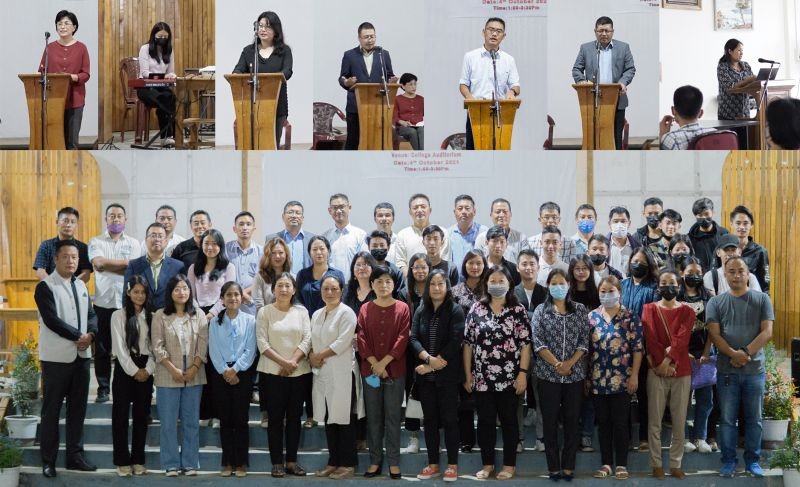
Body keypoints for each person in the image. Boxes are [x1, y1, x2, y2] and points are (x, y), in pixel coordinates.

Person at [35, 240, 98, 478]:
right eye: (66, 257)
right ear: (56, 259)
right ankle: (48, 460)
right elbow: (51, 320)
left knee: (77, 411)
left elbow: (92, 315)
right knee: (51, 411)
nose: (71, 261)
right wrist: (78, 336)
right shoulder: (45, 287)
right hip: (56, 359)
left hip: (81, 357)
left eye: (74, 257)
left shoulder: (81, 286)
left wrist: (90, 335)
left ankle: (74, 457)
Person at [707, 257, 774, 478]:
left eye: (741, 271)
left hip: (754, 371)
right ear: (725, 275)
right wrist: (733, 355)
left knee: (754, 418)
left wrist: (744, 353)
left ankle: (753, 461)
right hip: (727, 371)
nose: (736, 275)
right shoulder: (715, 303)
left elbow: (767, 332)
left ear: (748, 274)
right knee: (727, 419)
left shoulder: (762, 299)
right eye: (732, 272)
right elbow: (714, 335)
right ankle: (728, 461)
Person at [464, 265, 530, 480]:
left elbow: (526, 344)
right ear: (486, 283)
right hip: (482, 379)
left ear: (509, 284)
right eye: (493, 280)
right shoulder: (476, 309)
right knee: (484, 422)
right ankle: (488, 464)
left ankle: (509, 465)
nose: (497, 284)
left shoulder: (517, 310)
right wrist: (468, 374)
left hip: (510, 378)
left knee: (510, 421)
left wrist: (522, 373)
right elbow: (468, 344)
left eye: (502, 280)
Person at [532, 268, 588, 481]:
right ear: (548, 286)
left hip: (574, 376)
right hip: (548, 376)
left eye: (561, 283)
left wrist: (570, 364)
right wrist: (557, 364)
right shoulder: (540, 310)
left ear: (568, 285)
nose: (558, 287)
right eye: (553, 283)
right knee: (550, 421)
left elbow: (584, 340)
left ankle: (568, 465)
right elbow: (538, 342)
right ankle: (553, 466)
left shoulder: (580, 310)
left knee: (573, 421)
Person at [410, 270, 465, 481]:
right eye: (432, 284)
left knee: (450, 420)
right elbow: (413, 338)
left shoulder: (455, 310)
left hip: (448, 377)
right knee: (430, 421)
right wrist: (427, 359)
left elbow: (455, 341)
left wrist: (433, 365)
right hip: (425, 378)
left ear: (447, 286)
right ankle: (433, 464)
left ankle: (452, 465)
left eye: (440, 283)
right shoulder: (421, 309)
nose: (436, 287)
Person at [256, 272, 312, 477]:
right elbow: (262, 343)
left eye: (288, 285)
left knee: (295, 417)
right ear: (273, 289)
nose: (284, 289)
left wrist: (293, 362)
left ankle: (291, 461)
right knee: (275, 418)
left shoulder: (302, 311)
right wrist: (284, 363)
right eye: (280, 285)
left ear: (294, 289)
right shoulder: (265, 312)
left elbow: (308, 338)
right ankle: (277, 462)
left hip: (299, 373)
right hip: (272, 373)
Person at [151, 275, 209, 477]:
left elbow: (203, 344)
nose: (182, 292)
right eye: (177, 289)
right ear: (170, 292)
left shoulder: (199, 314)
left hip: (194, 373)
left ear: (190, 291)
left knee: (191, 421)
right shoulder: (160, 315)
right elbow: (157, 346)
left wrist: (194, 366)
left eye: (185, 288)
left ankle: (190, 462)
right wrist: (172, 369)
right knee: (168, 422)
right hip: (168, 374)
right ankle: (170, 464)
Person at [357, 266, 411, 479]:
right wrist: (374, 363)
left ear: (394, 284)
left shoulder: (403, 308)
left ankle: (394, 462)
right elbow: (361, 338)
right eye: (378, 281)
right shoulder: (364, 308)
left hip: (395, 371)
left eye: (388, 281)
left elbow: (403, 338)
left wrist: (385, 363)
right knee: (374, 417)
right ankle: (374, 461)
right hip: (369, 372)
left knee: (393, 416)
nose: (383, 285)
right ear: (372, 285)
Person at [641, 268, 694, 480]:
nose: (667, 286)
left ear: (679, 285)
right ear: (658, 286)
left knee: (679, 421)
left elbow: (682, 339)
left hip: (680, 372)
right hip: (656, 372)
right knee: (654, 420)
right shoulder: (649, 309)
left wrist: (667, 361)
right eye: (663, 283)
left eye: (671, 282)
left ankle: (675, 463)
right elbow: (651, 337)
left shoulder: (688, 311)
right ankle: (656, 463)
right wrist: (661, 365)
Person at [588, 276, 642, 480]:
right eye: (603, 291)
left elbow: (637, 348)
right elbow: (588, 350)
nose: (607, 294)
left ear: (619, 292)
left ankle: (621, 464)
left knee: (620, 423)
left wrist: (634, 375)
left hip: (622, 380)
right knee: (603, 424)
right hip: (598, 379)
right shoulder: (592, 317)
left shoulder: (629, 316)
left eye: (611, 291)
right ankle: (606, 464)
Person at [309, 273, 361, 480]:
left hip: (342, 372)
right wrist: (312, 355)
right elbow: (312, 338)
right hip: (322, 372)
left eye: (334, 289)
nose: (329, 293)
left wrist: (318, 355)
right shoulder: (317, 314)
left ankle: (347, 464)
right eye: (325, 289)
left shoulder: (347, 313)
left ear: (341, 290)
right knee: (330, 419)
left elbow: (343, 341)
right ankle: (333, 461)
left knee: (344, 419)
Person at [88, 203, 141, 404]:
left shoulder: (134, 243)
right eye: (112, 216)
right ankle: (103, 389)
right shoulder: (96, 241)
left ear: (125, 219)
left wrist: (111, 265)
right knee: (102, 350)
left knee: (128, 347)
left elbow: (133, 269)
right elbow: (98, 264)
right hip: (103, 303)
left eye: (120, 216)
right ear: (106, 219)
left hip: (127, 304)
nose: (116, 219)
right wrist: (124, 264)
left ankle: (126, 389)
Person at [186, 229, 236, 429]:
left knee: (217, 367)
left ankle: (218, 413)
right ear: (201, 245)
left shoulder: (228, 267)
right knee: (202, 366)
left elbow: (229, 294)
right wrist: (200, 314)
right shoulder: (193, 268)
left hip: (220, 317)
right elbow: (190, 295)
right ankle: (204, 412)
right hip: (198, 318)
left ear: (220, 246)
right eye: (207, 243)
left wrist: (211, 314)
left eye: (215, 243)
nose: (210, 247)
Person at [208, 282, 257, 477]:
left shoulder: (250, 320)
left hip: (242, 374)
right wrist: (225, 371)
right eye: (229, 295)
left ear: (241, 297)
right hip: (221, 374)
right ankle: (227, 462)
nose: (233, 298)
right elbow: (213, 349)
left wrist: (235, 369)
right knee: (226, 420)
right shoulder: (214, 322)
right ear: (222, 299)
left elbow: (250, 349)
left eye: (237, 294)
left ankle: (241, 462)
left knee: (240, 419)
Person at [111, 275, 155, 477]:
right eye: (135, 291)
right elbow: (120, 349)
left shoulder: (152, 316)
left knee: (141, 416)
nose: (139, 295)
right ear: (128, 293)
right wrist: (134, 371)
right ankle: (122, 460)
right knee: (120, 416)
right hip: (125, 368)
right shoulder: (118, 316)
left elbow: (156, 348)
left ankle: (138, 459)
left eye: (143, 292)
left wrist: (147, 369)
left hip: (146, 367)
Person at [572, 16, 636, 149]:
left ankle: (616, 164)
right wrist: (583, 81)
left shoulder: (623, 47)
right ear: (595, 31)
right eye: (600, 31)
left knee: (615, 135)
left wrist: (623, 82)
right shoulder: (586, 48)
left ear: (612, 31)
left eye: (607, 30)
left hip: (617, 99)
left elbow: (630, 69)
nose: (604, 34)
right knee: (593, 134)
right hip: (592, 100)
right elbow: (576, 69)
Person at [459, 17, 520, 150]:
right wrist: (471, 99)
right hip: (476, 113)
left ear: (504, 36)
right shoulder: (470, 56)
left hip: (501, 112)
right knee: (474, 150)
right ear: (483, 32)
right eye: (491, 30)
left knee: (499, 149)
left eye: (499, 31)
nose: (494, 34)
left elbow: (515, 85)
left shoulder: (509, 60)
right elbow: (463, 84)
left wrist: (511, 91)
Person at [620, 247, 659, 451]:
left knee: (644, 394)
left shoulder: (654, 288)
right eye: (634, 261)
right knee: (623, 394)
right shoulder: (622, 284)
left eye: (642, 262)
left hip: (644, 349)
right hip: (621, 348)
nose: (637, 264)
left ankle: (644, 437)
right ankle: (624, 437)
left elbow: (654, 322)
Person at [233, 11, 293, 144]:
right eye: (260, 26)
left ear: (276, 30)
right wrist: (237, 76)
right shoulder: (249, 51)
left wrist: (275, 78)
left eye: (268, 26)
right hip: (250, 106)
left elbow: (287, 72)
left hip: (276, 106)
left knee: (271, 143)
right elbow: (238, 70)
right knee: (250, 144)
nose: (263, 29)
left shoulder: (284, 51)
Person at [679, 257, 717, 454]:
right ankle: (684, 437)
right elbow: (671, 329)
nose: (694, 276)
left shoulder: (709, 297)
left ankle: (701, 437)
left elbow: (713, 327)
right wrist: (682, 352)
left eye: (697, 272)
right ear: (681, 273)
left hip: (704, 354)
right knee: (682, 399)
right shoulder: (675, 297)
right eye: (690, 272)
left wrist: (705, 352)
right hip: (681, 354)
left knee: (705, 398)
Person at [339, 22, 396, 150]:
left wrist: (392, 81)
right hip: (356, 105)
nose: (370, 40)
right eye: (366, 37)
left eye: (372, 36)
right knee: (353, 141)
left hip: (378, 106)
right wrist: (347, 82)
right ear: (359, 38)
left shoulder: (383, 54)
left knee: (377, 140)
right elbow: (342, 77)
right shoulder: (349, 55)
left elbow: (389, 75)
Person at [38, 10, 89, 149]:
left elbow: (86, 73)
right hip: (53, 99)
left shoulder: (81, 48)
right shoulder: (50, 47)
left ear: (74, 27)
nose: (62, 26)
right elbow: (41, 71)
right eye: (59, 24)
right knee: (54, 140)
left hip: (75, 99)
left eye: (66, 23)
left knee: (72, 142)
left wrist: (74, 77)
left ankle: (71, 169)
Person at [450, 250, 485, 453]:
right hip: (461, 350)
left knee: (484, 400)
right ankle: (466, 440)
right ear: (465, 265)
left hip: (488, 353)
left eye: (479, 263)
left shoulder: (490, 290)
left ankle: (483, 438)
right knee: (464, 398)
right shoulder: (455, 291)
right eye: (471, 262)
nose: (475, 267)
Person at [514, 249, 547, 452]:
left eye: (532, 263)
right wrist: (534, 315)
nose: (528, 267)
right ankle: (517, 439)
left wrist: (527, 315)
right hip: (517, 354)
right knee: (517, 397)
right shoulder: (511, 292)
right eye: (524, 263)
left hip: (542, 353)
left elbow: (548, 318)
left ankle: (541, 438)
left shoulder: (546, 292)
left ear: (538, 266)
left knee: (541, 397)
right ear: (518, 267)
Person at [567, 255, 600, 454]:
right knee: (571, 396)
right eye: (577, 268)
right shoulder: (565, 294)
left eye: (584, 268)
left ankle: (586, 436)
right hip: (568, 352)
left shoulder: (596, 295)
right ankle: (571, 435)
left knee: (588, 394)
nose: (581, 271)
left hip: (592, 351)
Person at [124, 222, 185, 310]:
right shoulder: (134, 265)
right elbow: (126, 294)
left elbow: (182, 295)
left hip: (168, 317)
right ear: (145, 240)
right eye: (153, 235)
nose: (157, 239)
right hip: (141, 317)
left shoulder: (178, 266)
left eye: (160, 236)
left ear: (166, 241)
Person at [137, 22, 177, 146]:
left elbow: (170, 72)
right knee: (163, 98)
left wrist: (172, 76)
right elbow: (144, 73)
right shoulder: (145, 49)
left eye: (165, 37)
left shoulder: (169, 51)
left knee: (171, 98)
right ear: (154, 35)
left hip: (161, 86)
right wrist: (162, 76)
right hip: (145, 87)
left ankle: (170, 135)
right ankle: (166, 136)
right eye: (160, 37)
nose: (162, 39)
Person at [391, 194, 450, 271]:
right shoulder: (402, 235)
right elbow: (400, 263)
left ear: (430, 210)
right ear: (410, 212)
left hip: (436, 281)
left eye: (423, 207)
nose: (419, 210)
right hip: (411, 281)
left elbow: (445, 260)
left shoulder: (442, 232)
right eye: (415, 208)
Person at [34, 206, 92, 282]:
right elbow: (40, 271)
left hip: (75, 291)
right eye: (65, 221)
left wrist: (71, 287)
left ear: (77, 224)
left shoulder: (83, 248)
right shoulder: (46, 245)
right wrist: (55, 287)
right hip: (51, 290)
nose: (68, 225)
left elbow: (86, 274)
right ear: (57, 222)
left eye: (73, 222)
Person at [717, 39, 755, 148]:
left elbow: (752, 85)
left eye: (742, 51)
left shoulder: (746, 66)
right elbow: (729, 87)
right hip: (728, 115)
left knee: (744, 147)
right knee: (730, 147)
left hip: (745, 114)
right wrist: (748, 80)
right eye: (739, 50)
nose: (742, 53)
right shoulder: (723, 67)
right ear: (730, 51)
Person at [225, 211, 264, 316]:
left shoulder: (262, 252)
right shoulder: (225, 250)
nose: (245, 227)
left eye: (248, 224)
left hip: (252, 305)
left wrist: (242, 293)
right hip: (229, 304)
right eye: (241, 224)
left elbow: (264, 278)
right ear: (234, 229)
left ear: (253, 228)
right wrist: (236, 294)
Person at [297, 235, 346, 317]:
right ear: (309, 253)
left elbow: (342, 300)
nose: (318, 252)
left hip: (330, 321)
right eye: (314, 249)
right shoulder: (302, 274)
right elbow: (298, 300)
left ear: (328, 251)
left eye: (322, 249)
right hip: (306, 321)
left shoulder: (337, 274)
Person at [322, 194, 366, 281]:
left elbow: (364, 262)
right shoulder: (325, 237)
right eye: (335, 207)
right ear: (329, 210)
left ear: (349, 208)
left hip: (354, 285)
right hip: (332, 286)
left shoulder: (360, 235)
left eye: (342, 207)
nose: (338, 211)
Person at [265, 201, 315, 275]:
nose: (294, 216)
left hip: (305, 283)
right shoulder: (271, 239)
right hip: (280, 283)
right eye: (290, 212)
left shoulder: (312, 239)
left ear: (302, 218)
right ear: (283, 216)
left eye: (298, 213)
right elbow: (266, 264)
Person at [659, 85, 716, 150]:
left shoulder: (671, 139)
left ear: (673, 111)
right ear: (701, 113)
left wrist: (662, 136)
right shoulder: (714, 133)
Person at [729, 205, 770, 294]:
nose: (742, 227)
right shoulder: (723, 250)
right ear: (731, 224)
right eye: (738, 223)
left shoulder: (760, 252)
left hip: (752, 301)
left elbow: (765, 285)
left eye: (745, 223)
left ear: (751, 225)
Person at [448, 195, 488, 279]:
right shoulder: (448, 233)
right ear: (454, 212)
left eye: (467, 208)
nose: (463, 211)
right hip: (455, 284)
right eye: (460, 208)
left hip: (479, 283)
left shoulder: (484, 232)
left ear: (474, 211)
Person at [687, 198, 729, 271]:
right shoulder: (689, 238)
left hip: (720, 276)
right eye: (700, 215)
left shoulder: (724, 234)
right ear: (695, 216)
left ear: (712, 212)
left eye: (706, 214)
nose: (703, 217)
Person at [252, 237, 292, 313]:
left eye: (281, 253)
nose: (277, 256)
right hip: (266, 320)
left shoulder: (292, 277)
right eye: (273, 253)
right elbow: (259, 305)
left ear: (286, 254)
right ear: (267, 255)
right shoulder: (260, 277)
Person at [367, 230, 405, 297]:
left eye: (382, 245)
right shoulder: (364, 270)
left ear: (388, 247)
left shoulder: (396, 272)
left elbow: (400, 295)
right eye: (374, 246)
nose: (378, 248)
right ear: (368, 247)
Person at [606, 206, 641, 277]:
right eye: (615, 221)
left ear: (629, 223)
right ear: (609, 224)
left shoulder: (637, 247)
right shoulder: (603, 246)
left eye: (623, 221)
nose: (619, 225)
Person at [393, 73, 424, 150]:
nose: (414, 87)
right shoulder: (397, 99)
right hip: (404, 127)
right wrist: (402, 122)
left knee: (421, 130)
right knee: (412, 132)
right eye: (410, 84)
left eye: (415, 84)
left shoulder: (421, 99)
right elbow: (394, 116)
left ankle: (421, 156)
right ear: (403, 86)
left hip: (419, 126)